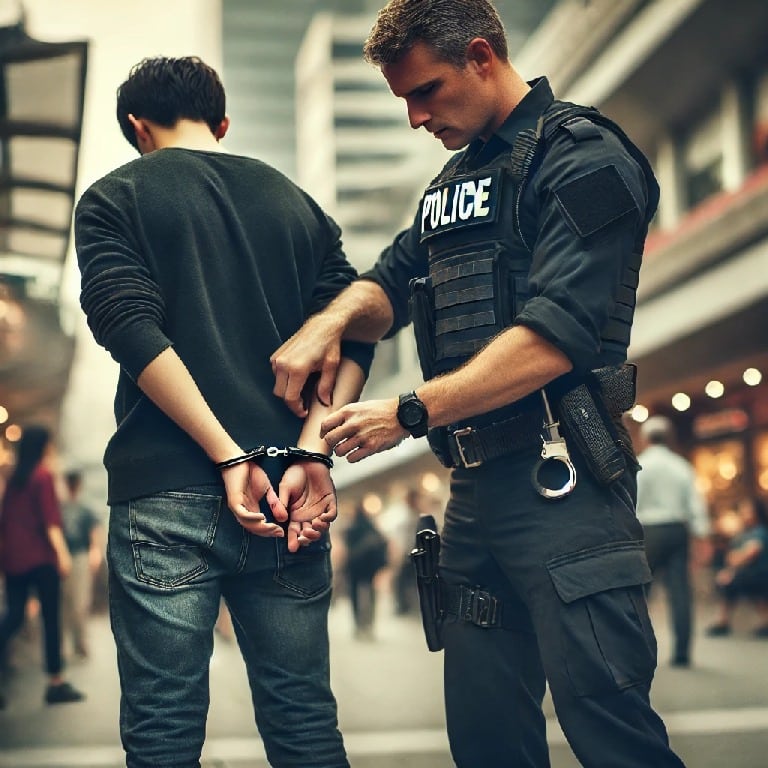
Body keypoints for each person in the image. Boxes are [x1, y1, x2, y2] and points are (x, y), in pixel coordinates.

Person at [270, 2, 686, 766]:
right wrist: (328, 324)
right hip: (474, 499)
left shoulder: (585, 158)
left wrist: (409, 410)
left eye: (426, 91)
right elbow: (387, 285)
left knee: (613, 734)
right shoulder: (451, 184)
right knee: (487, 741)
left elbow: (555, 338)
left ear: (483, 57)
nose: (414, 116)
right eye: (402, 99)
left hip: (566, 490)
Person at [74, 56, 372, 768]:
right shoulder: (296, 203)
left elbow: (130, 327)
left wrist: (225, 453)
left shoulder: (116, 198)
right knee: (303, 718)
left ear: (137, 128)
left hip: (167, 493)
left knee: (164, 730)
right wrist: (309, 452)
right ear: (223, 123)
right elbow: (357, 332)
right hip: (287, 497)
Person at [0, 426, 85, 707]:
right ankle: (56, 683)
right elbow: (50, 521)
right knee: (51, 618)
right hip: (40, 558)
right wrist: (63, 554)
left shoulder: (14, 479)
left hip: (13, 559)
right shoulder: (43, 475)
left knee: (13, 615)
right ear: (43, 446)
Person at [635, 415, 711, 667]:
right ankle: (682, 652)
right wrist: (702, 536)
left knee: (640, 592)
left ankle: (636, 648)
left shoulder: (641, 466)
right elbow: (695, 505)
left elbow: (632, 504)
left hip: (648, 531)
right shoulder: (682, 466)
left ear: (645, 439)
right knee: (680, 591)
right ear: (669, 438)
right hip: (677, 530)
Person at [706, 496, 768, 637]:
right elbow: (731, 556)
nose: (744, 513)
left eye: (748, 510)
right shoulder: (743, 533)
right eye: (743, 510)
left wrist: (734, 564)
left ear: (757, 512)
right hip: (747, 573)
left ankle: (724, 622)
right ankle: (723, 621)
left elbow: (750, 553)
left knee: (732, 581)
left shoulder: (760, 531)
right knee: (728, 580)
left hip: (760, 574)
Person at [59, 469, 104, 659]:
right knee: (64, 602)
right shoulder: (59, 507)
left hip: (79, 556)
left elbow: (95, 530)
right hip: (62, 557)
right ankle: (66, 644)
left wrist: (94, 551)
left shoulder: (85, 508)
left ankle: (80, 643)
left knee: (79, 602)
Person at [342, 503, 388, 639]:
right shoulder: (372, 528)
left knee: (354, 596)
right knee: (372, 595)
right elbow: (383, 542)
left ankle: (358, 625)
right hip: (370, 568)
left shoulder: (350, 529)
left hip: (354, 568)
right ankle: (369, 624)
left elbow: (347, 550)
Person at [393, 486, 434, 616]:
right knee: (410, 581)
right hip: (414, 554)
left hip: (414, 554)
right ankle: (410, 606)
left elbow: (406, 540)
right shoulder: (412, 515)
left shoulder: (413, 516)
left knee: (409, 581)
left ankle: (409, 606)